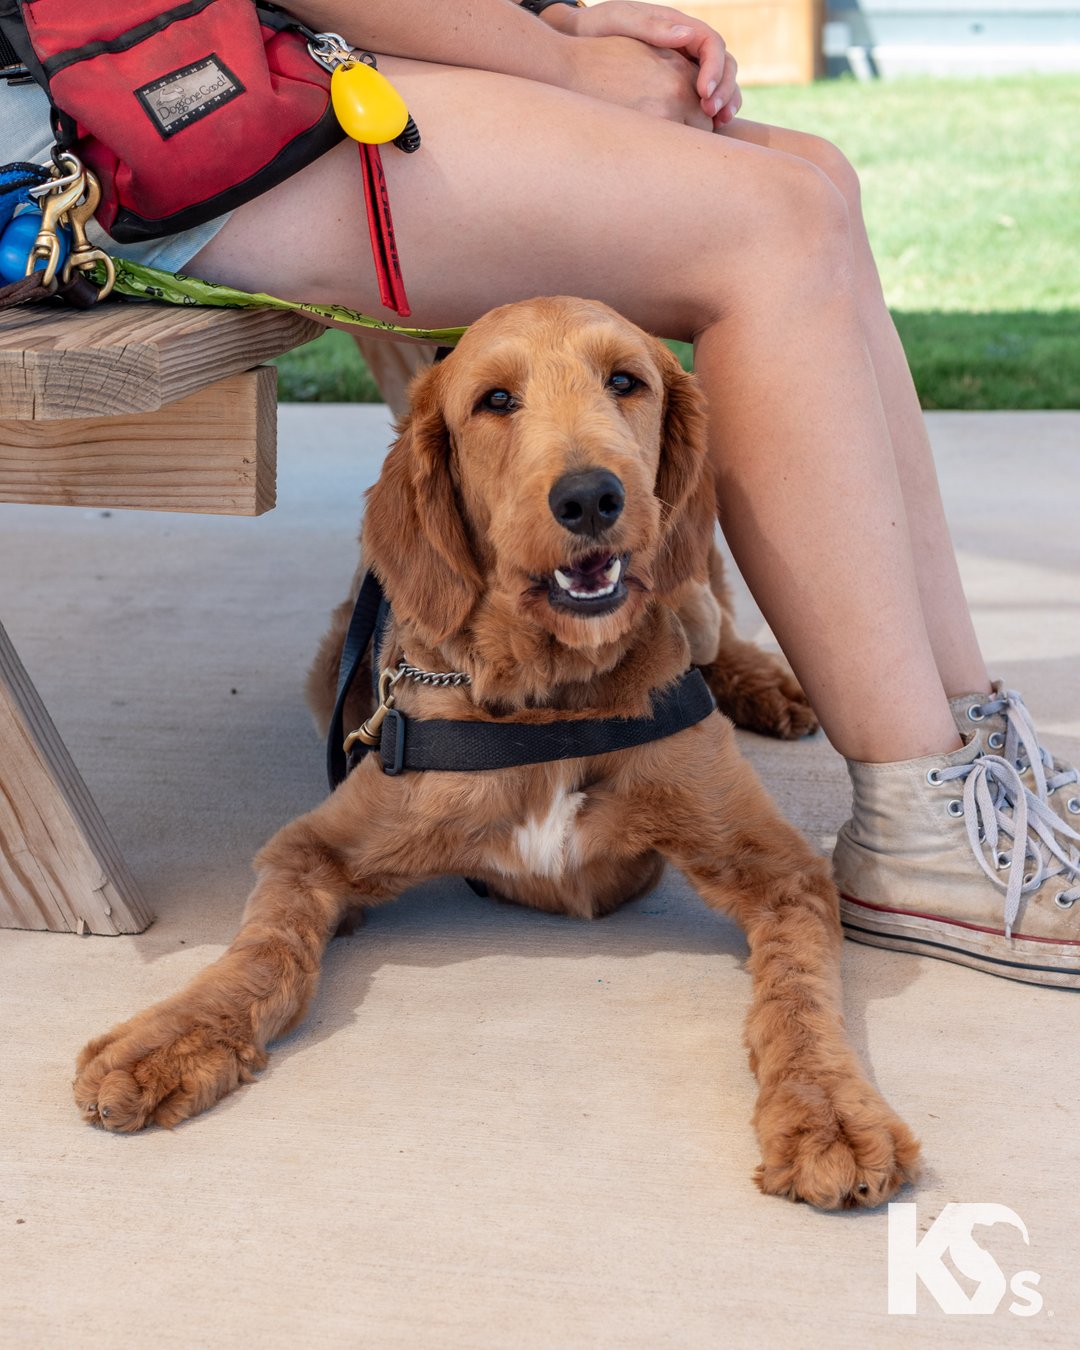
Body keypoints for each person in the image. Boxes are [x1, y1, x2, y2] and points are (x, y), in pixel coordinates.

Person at [6, 0, 1078, 980]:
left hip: (232, 59)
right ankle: (919, 826)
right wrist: (563, 61)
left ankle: (969, 747)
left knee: (817, 181)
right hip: (93, 128)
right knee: (773, 228)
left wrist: (566, 22)